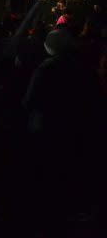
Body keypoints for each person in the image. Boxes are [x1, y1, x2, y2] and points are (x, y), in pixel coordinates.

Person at [23, 29, 105, 218]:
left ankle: (51, 209)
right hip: (75, 127)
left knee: (51, 169)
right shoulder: (83, 68)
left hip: (49, 127)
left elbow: (30, 100)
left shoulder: (45, 69)